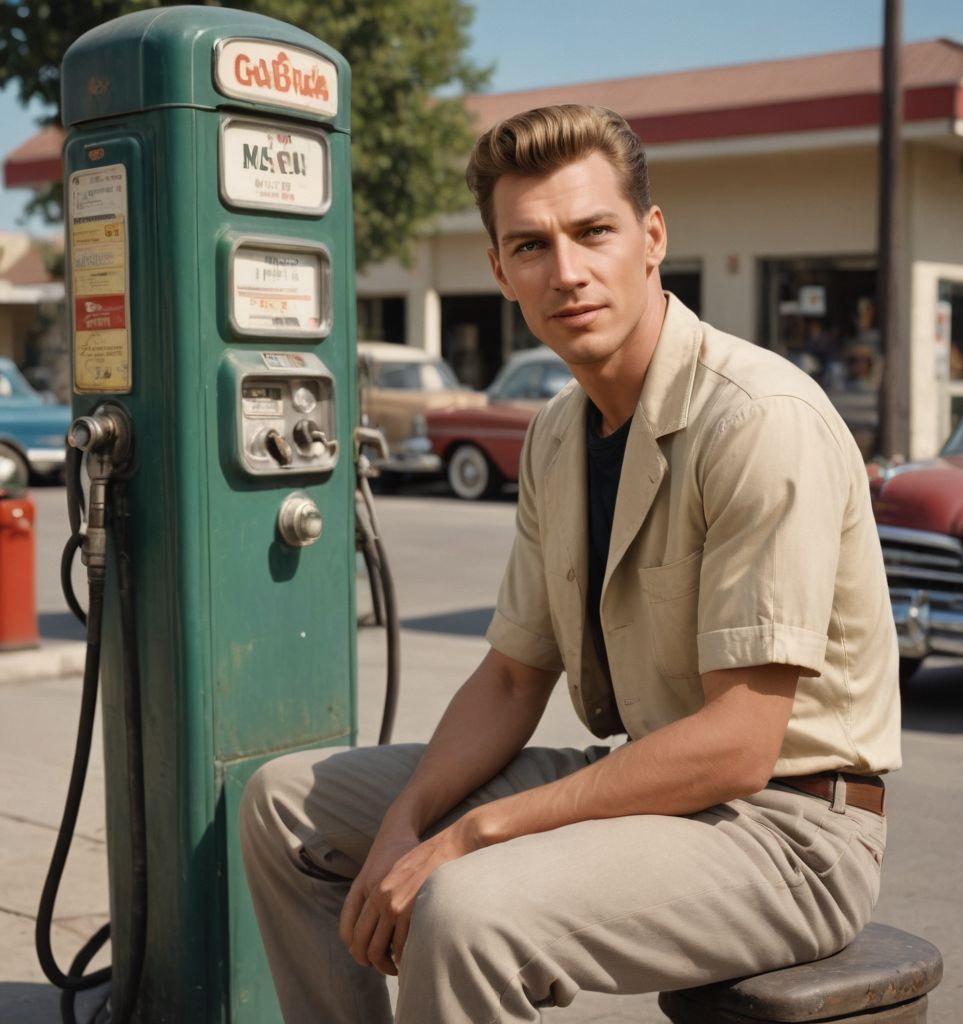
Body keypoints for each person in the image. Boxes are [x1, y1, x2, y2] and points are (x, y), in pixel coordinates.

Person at [240, 104, 901, 1024]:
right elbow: (513, 677)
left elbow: (739, 742)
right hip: (648, 785)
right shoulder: (557, 432)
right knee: (284, 804)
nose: (568, 272)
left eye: (594, 232)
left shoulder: (758, 418)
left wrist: (468, 834)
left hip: (789, 832)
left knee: (465, 908)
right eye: (532, 246)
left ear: (652, 236)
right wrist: (405, 820)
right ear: (500, 271)